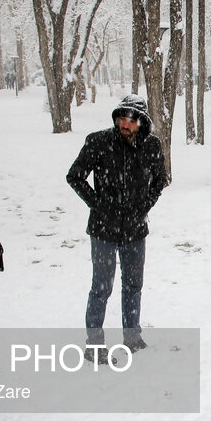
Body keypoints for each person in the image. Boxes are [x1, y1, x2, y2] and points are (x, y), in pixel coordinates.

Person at [67, 95, 167, 361]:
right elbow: (74, 176)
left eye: (131, 120)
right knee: (101, 287)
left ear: (142, 123)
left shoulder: (152, 146)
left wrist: (145, 204)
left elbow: (160, 180)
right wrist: (98, 205)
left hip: (135, 230)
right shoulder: (98, 142)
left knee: (133, 285)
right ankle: (95, 345)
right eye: (122, 118)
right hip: (103, 230)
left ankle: (132, 337)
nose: (125, 124)